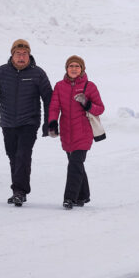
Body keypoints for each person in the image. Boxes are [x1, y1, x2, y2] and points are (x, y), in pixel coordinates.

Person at [0, 39, 53, 207]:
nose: (21, 57)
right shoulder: (1, 72)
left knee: (23, 155)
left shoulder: (38, 73)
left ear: (29, 55)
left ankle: (20, 191)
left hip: (29, 121)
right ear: (12, 55)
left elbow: (49, 98)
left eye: (24, 54)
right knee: (13, 156)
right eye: (18, 54)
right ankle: (18, 191)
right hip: (8, 122)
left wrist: (49, 121)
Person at [47, 55, 104, 210]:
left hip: (83, 133)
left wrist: (87, 103)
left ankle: (70, 198)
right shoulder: (59, 86)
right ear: (66, 69)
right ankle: (83, 195)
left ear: (82, 69)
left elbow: (100, 108)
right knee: (76, 165)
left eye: (77, 66)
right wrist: (52, 122)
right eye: (71, 66)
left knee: (75, 163)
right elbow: (54, 107)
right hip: (66, 132)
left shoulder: (90, 86)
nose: (73, 69)